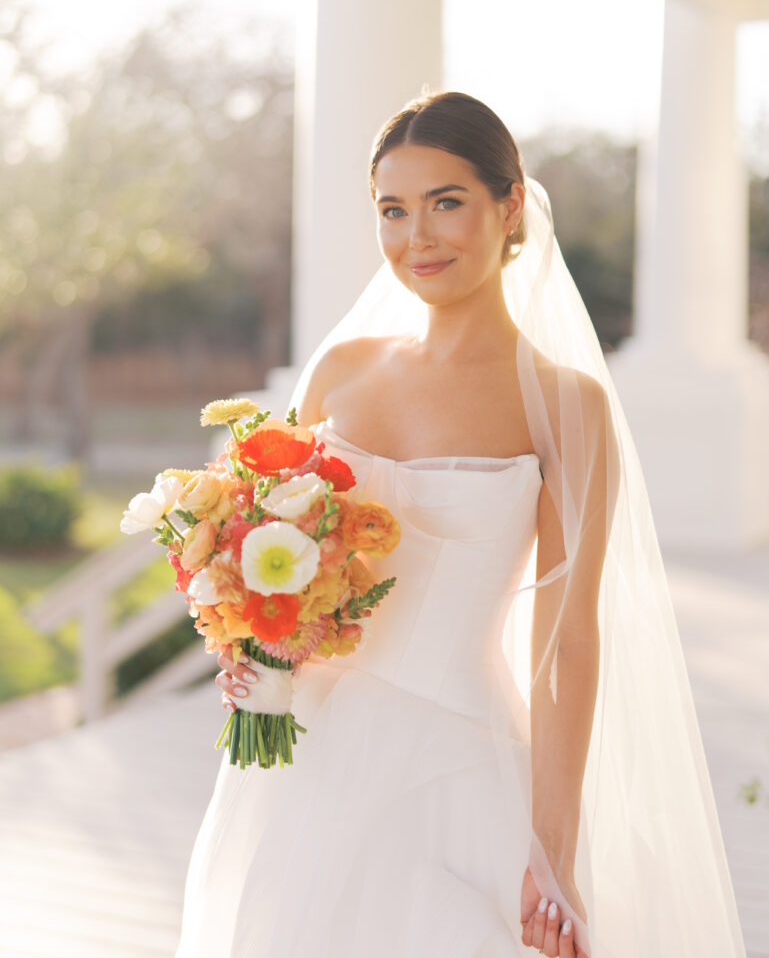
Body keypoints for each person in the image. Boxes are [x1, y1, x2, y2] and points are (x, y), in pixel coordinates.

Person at [176, 91, 747, 957]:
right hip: (303, 766)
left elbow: (569, 645)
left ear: (508, 205)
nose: (418, 237)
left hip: (458, 763)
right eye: (392, 210)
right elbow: (267, 546)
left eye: (447, 202)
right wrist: (251, 649)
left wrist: (549, 848)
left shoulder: (566, 404)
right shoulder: (340, 370)